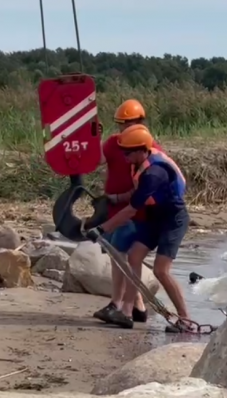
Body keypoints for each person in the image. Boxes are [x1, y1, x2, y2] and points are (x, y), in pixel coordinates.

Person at [86, 124, 192, 331]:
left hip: (172, 221)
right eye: (123, 151)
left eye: (127, 152)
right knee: (134, 257)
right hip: (154, 219)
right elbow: (134, 195)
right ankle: (126, 312)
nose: (124, 156)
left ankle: (185, 320)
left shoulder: (155, 173)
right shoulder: (138, 164)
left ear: (143, 150)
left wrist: (101, 229)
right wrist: (113, 198)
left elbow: (131, 210)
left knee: (161, 271)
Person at [92, 99, 163, 324]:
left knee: (122, 256)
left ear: (140, 122)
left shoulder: (148, 147)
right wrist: (94, 138)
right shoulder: (115, 143)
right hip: (115, 210)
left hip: (133, 211)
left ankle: (120, 304)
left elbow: (144, 186)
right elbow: (98, 160)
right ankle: (137, 305)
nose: (126, 128)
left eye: (130, 123)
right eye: (123, 124)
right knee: (120, 258)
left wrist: (118, 198)